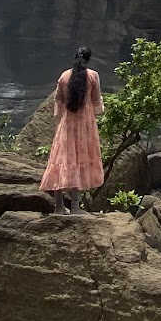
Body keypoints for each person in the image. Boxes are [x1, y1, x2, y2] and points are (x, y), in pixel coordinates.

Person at [40, 47, 104, 214]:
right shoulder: (92, 76)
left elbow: (58, 100)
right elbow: (96, 101)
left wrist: (59, 119)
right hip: (85, 126)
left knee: (61, 160)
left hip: (67, 124)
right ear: (88, 60)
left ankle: (58, 205)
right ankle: (75, 206)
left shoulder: (64, 76)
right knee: (79, 159)